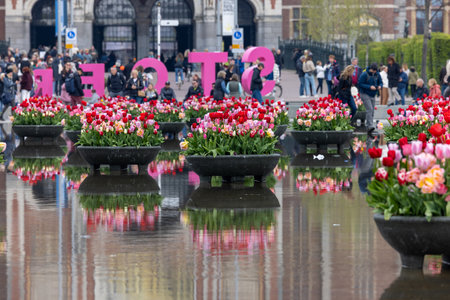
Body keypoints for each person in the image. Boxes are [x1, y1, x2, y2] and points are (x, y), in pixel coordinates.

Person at [358, 63, 382, 136]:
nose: (374, 72)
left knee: (372, 111)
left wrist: (380, 86)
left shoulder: (377, 74)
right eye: (373, 71)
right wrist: (369, 87)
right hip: (364, 93)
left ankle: (369, 124)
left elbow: (380, 82)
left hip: (372, 94)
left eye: (375, 71)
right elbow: (360, 83)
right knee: (369, 109)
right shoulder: (364, 74)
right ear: (370, 69)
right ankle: (370, 126)